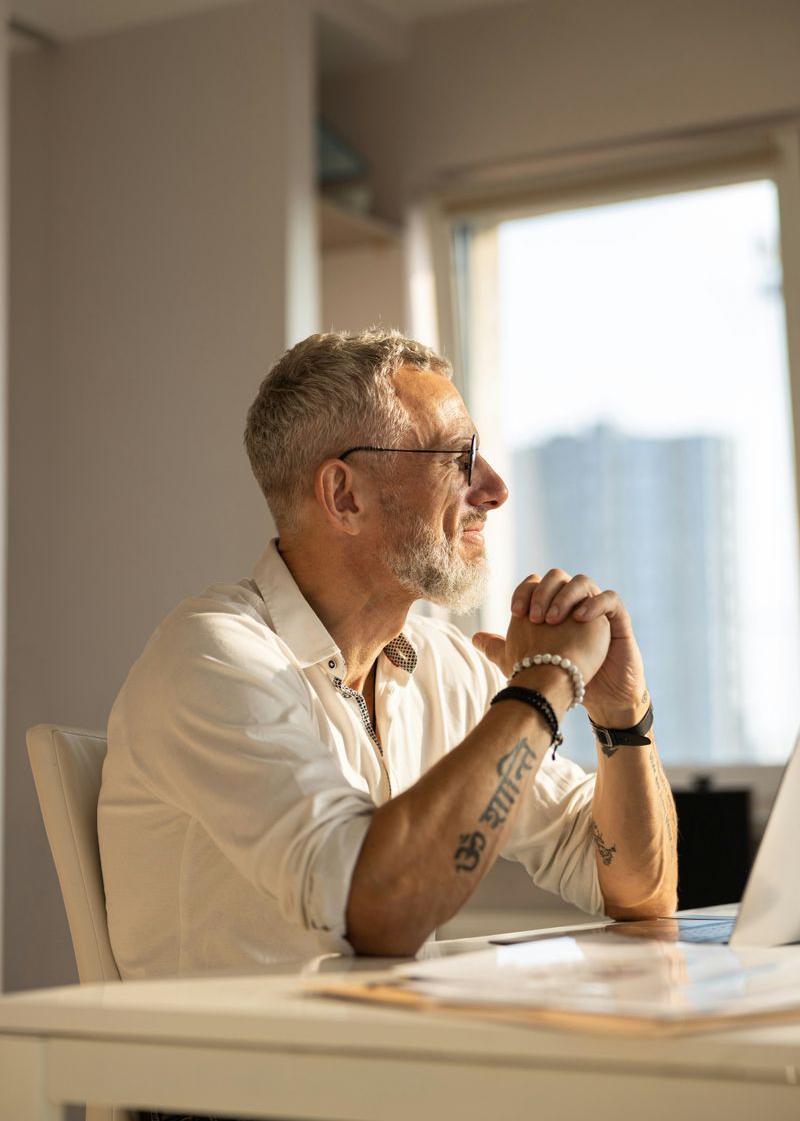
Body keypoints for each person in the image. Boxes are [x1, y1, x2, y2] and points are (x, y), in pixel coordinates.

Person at [99, 329, 677, 983]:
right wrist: (546, 684)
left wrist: (621, 715)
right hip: (236, 1054)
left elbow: (636, 891)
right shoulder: (212, 656)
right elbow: (376, 916)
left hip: (388, 1042)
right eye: (459, 457)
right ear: (345, 496)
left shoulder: (445, 666)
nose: (494, 488)